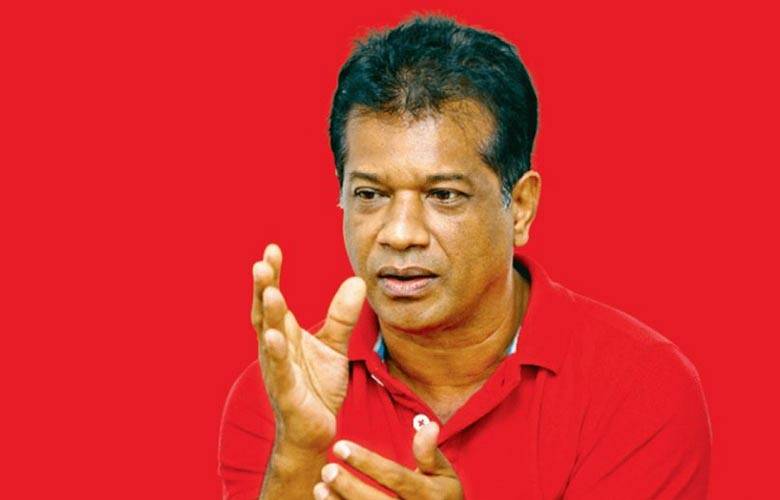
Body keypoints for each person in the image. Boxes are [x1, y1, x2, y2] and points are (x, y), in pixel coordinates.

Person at [218, 15, 712, 499]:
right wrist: (297, 452)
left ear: (521, 207)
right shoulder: (280, 394)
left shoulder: (640, 388)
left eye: (444, 195)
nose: (400, 233)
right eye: (370, 194)